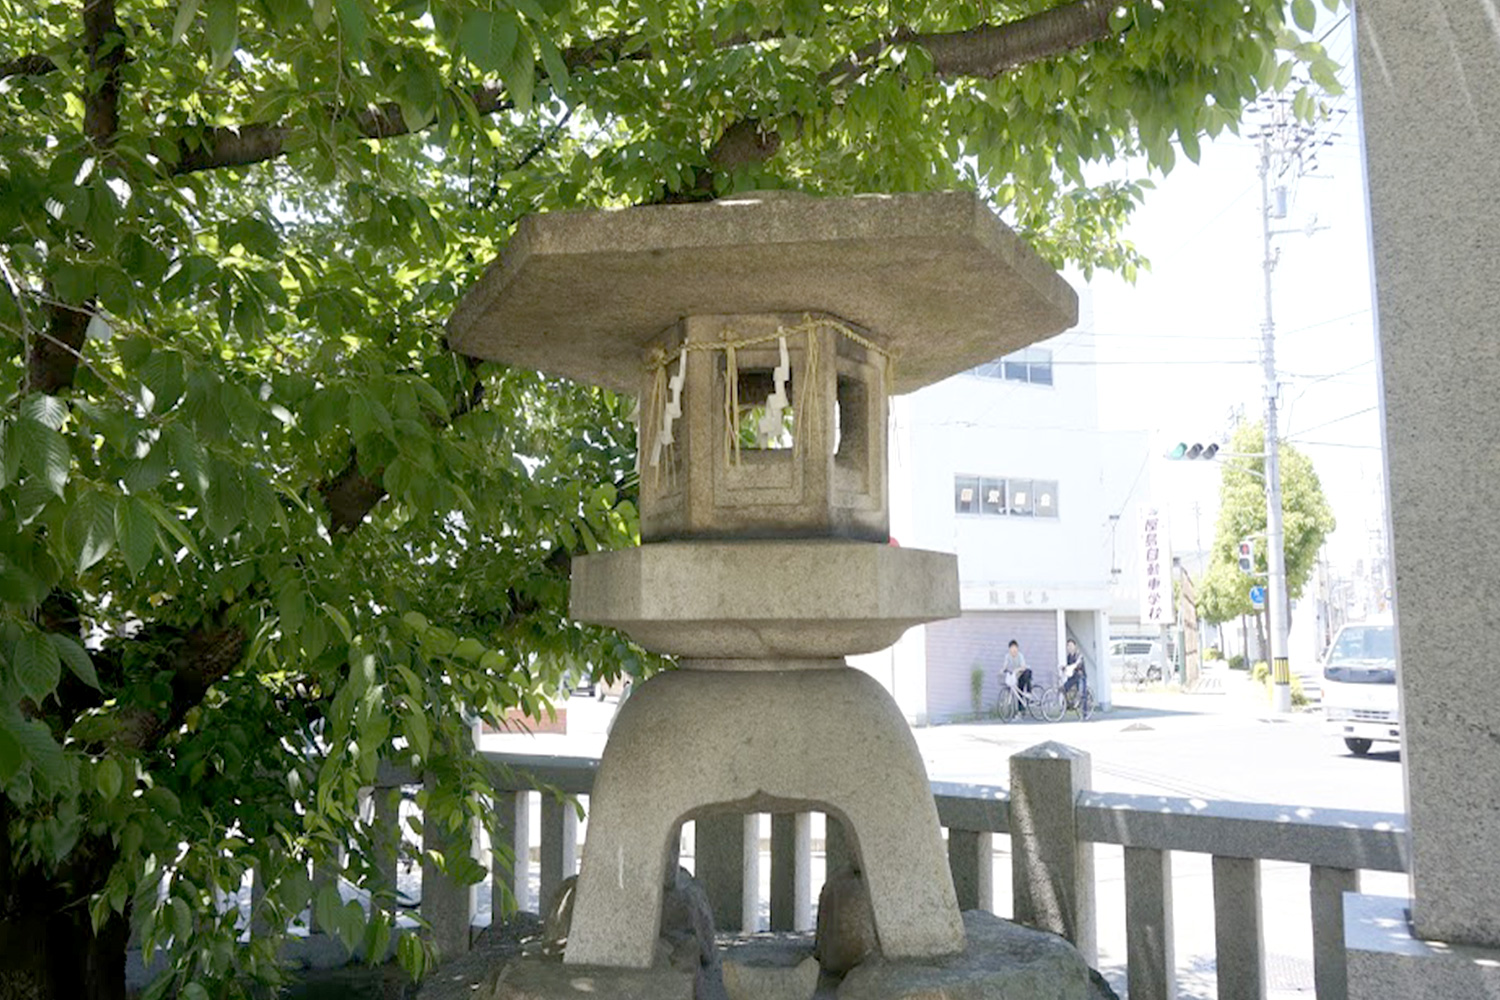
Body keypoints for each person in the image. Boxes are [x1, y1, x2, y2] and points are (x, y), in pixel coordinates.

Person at [1061, 638, 1086, 706]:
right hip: (1072, 676)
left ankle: (1083, 708)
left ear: (1074, 646)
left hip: (1080, 676)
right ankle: (1067, 704)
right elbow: (1068, 666)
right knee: (1064, 687)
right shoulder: (1068, 657)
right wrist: (1064, 668)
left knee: (1081, 691)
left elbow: (1078, 664)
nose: (1069, 647)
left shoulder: (1078, 655)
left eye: (1071, 645)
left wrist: (1073, 667)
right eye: (1068, 646)